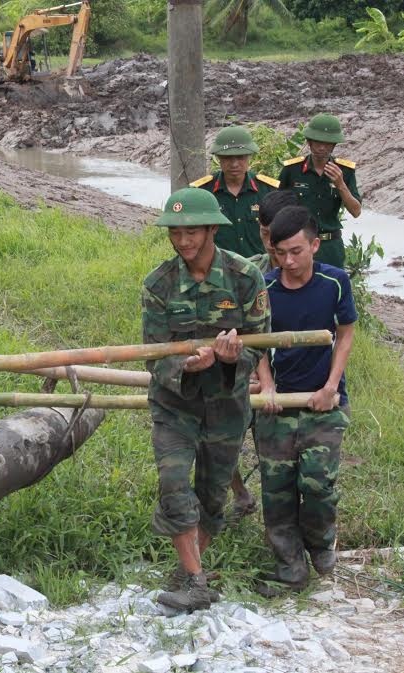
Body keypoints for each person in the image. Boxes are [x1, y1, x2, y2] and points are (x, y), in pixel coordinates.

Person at [142, 188, 270, 612]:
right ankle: (196, 581)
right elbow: (153, 352)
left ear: (213, 228)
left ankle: (187, 568)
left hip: (226, 403)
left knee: (213, 494)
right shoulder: (158, 284)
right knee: (173, 483)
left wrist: (236, 359)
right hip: (175, 404)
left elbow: (260, 342)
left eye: (191, 232)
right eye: (175, 233)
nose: (182, 241)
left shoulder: (244, 277)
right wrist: (184, 367)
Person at [254, 205, 356, 596]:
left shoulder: (335, 283)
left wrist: (331, 386)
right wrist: (267, 387)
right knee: (277, 490)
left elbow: (344, 334)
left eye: (297, 251)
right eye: (281, 253)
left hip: (324, 403)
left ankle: (319, 541)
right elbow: (259, 343)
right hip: (279, 405)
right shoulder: (265, 288)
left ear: (315, 245)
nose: (289, 261)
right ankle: (290, 570)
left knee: (317, 486)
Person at [227, 188, 302, 521]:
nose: (271, 245)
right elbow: (241, 329)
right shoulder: (248, 273)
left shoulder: (312, 276)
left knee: (282, 461)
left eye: (279, 237)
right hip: (247, 374)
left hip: (290, 379)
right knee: (218, 439)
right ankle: (240, 494)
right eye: (266, 235)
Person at [278, 114, 362, 269]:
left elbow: (356, 211)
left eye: (327, 143)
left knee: (332, 289)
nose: (322, 148)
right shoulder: (292, 170)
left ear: (333, 145)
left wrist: (340, 184)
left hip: (330, 246)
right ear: (309, 142)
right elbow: (277, 208)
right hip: (299, 244)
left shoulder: (345, 171)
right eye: (317, 142)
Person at [190, 126, 280, 258]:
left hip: (259, 268)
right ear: (218, 158)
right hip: (219, 268)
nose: (234, 164)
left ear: (249, 157)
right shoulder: (202, 192)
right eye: (228, 158)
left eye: (240, 157)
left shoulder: (268, 190)